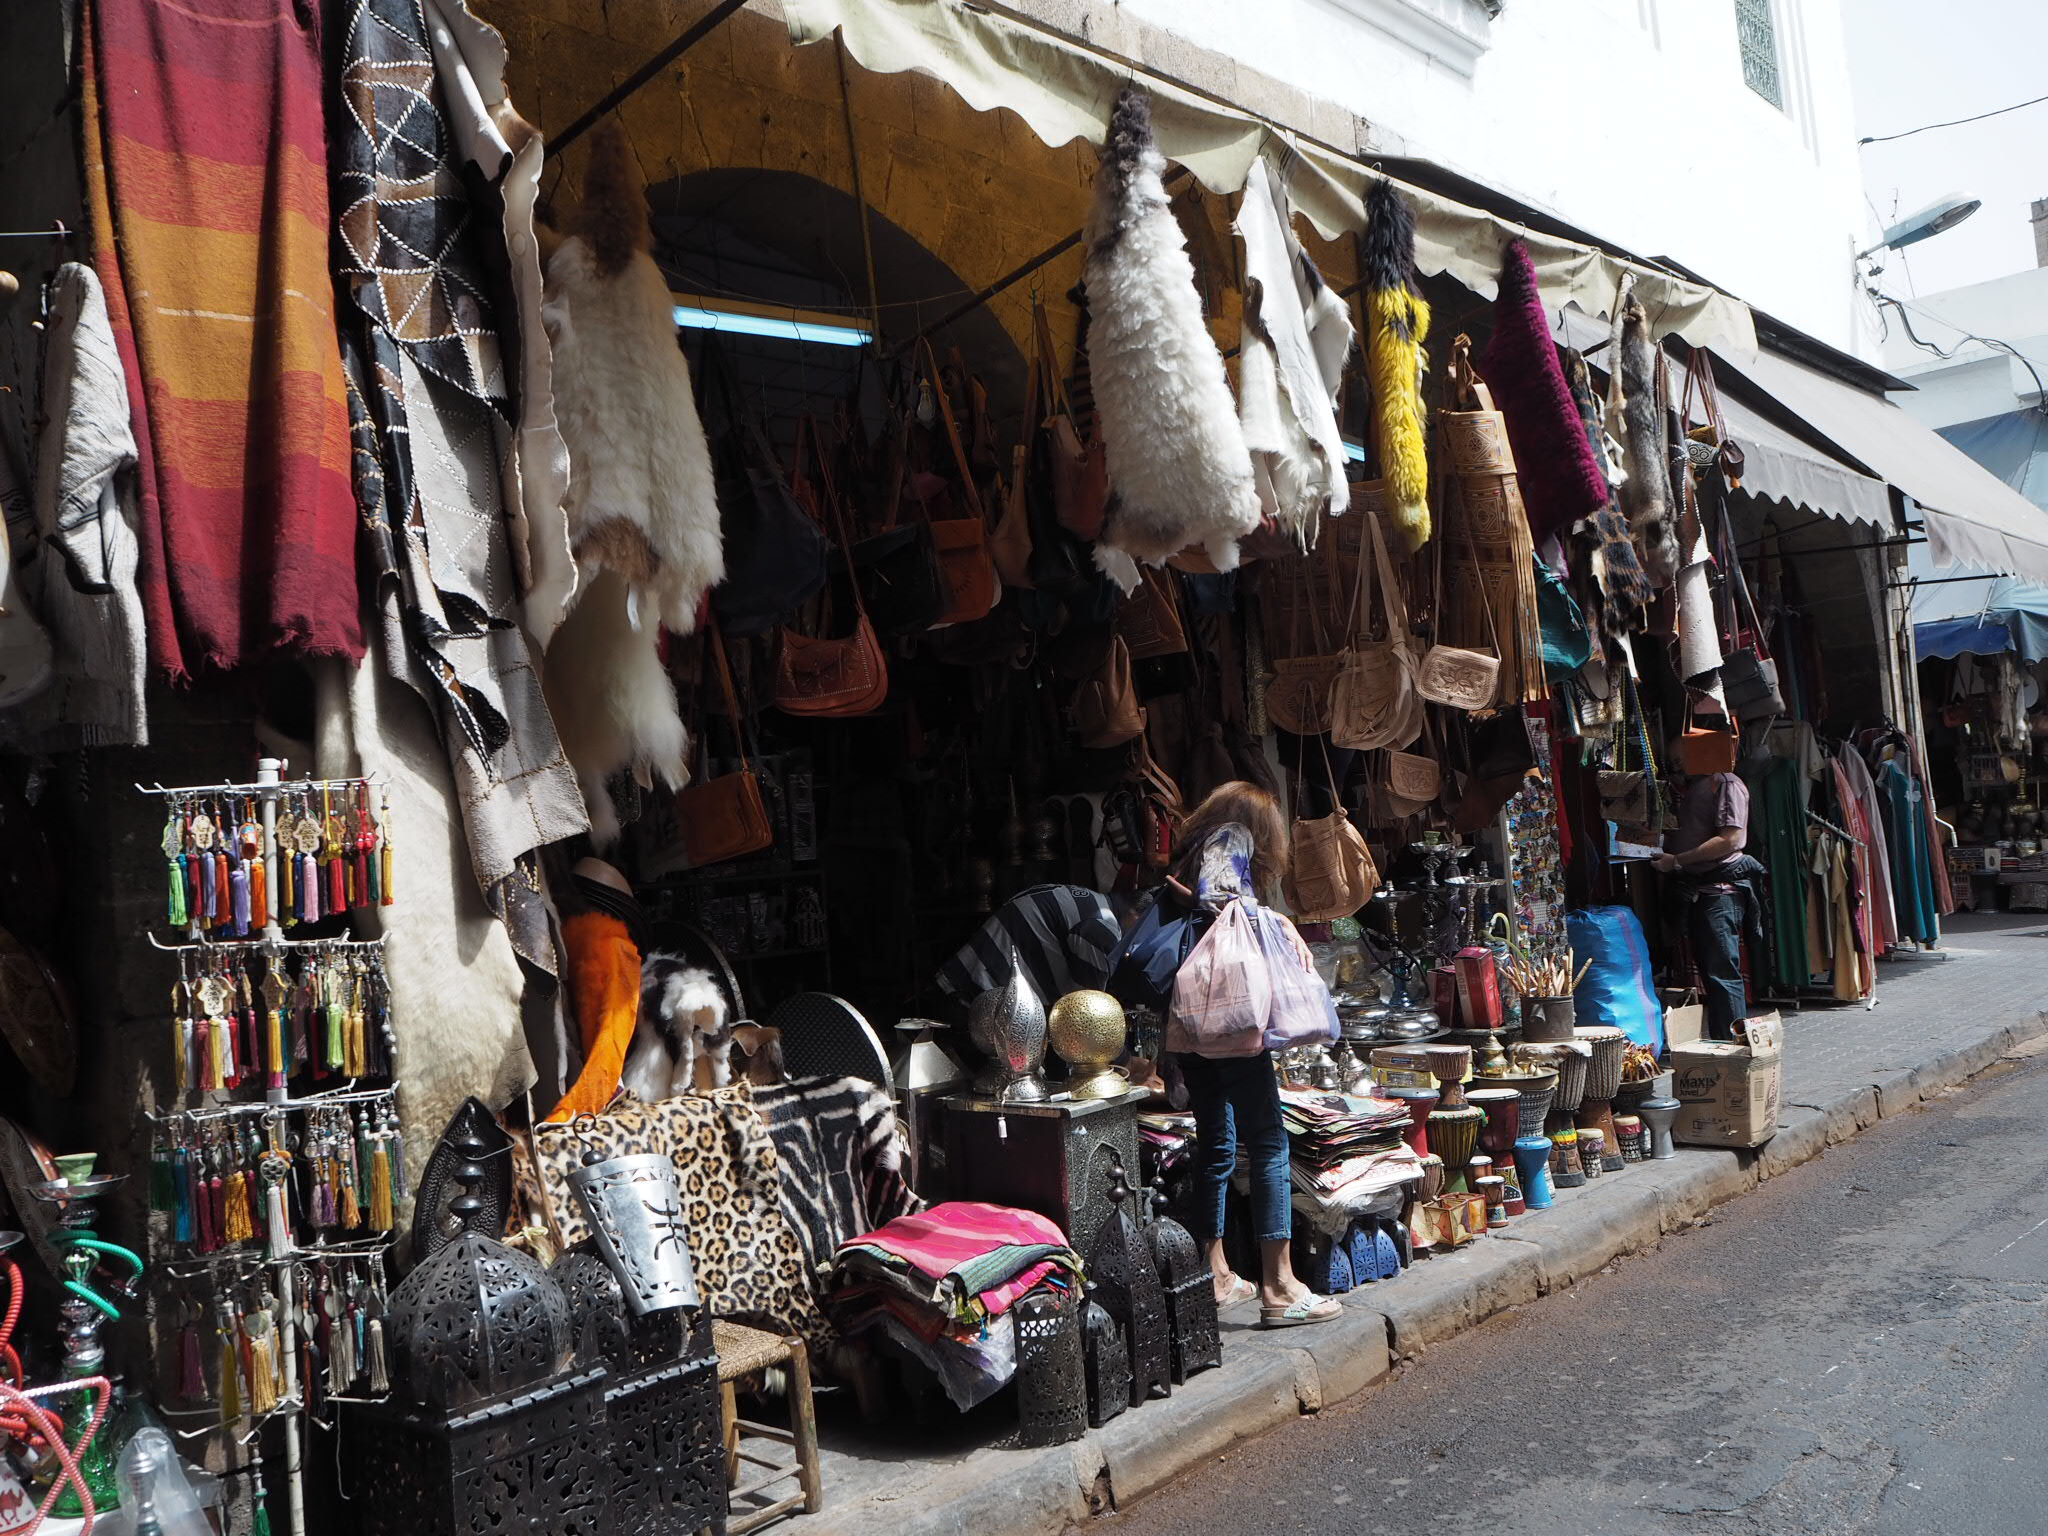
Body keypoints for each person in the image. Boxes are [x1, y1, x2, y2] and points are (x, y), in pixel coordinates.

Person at [1166, 782, 1339, 1328]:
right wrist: (1275, 919)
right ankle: (1279, 1284)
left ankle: (1214, 1272)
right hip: (1230, 1019)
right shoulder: (1231, 836)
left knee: (1216, 1142)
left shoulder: (1187, 848)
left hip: (1192, 1022)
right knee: (1267, 1141)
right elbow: (1224, 903)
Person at [1652, 746, 1755, 1040]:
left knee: (1722, 973)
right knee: (1713, 971)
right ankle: (1724, 1040)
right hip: (1701, 890)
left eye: (1680, 756)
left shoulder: (1725, 783)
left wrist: (1678, 860)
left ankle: (1733, 1044)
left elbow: (1730, 839)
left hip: (1718, 893)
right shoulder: (1700, 785)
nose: (1677, 764)